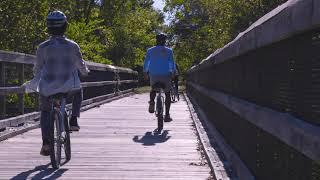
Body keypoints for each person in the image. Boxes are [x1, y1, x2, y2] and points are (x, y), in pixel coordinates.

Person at [30, 11, 89, 156]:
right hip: (68, 85)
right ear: (65, 26)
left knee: (45, 111)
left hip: (48, 86)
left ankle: (46, 143)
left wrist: (35, 74)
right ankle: (74, 119)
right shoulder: (72, 46)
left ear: (48, 27)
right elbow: (80, 64)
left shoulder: (43, 47)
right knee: (78, 92)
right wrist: (85, 71)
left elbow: (37, 68)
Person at [143, 33, 176, 122]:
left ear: (156, 40)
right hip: (165, 74)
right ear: (165, 41)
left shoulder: (150, 50)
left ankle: (152, 102)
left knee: (153, 89)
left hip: (153, 74)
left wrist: (145, 72)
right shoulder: (169, 51)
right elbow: (172, 63)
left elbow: (146, 63)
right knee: (167, 93)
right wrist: (173, 72)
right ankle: (167, 115)